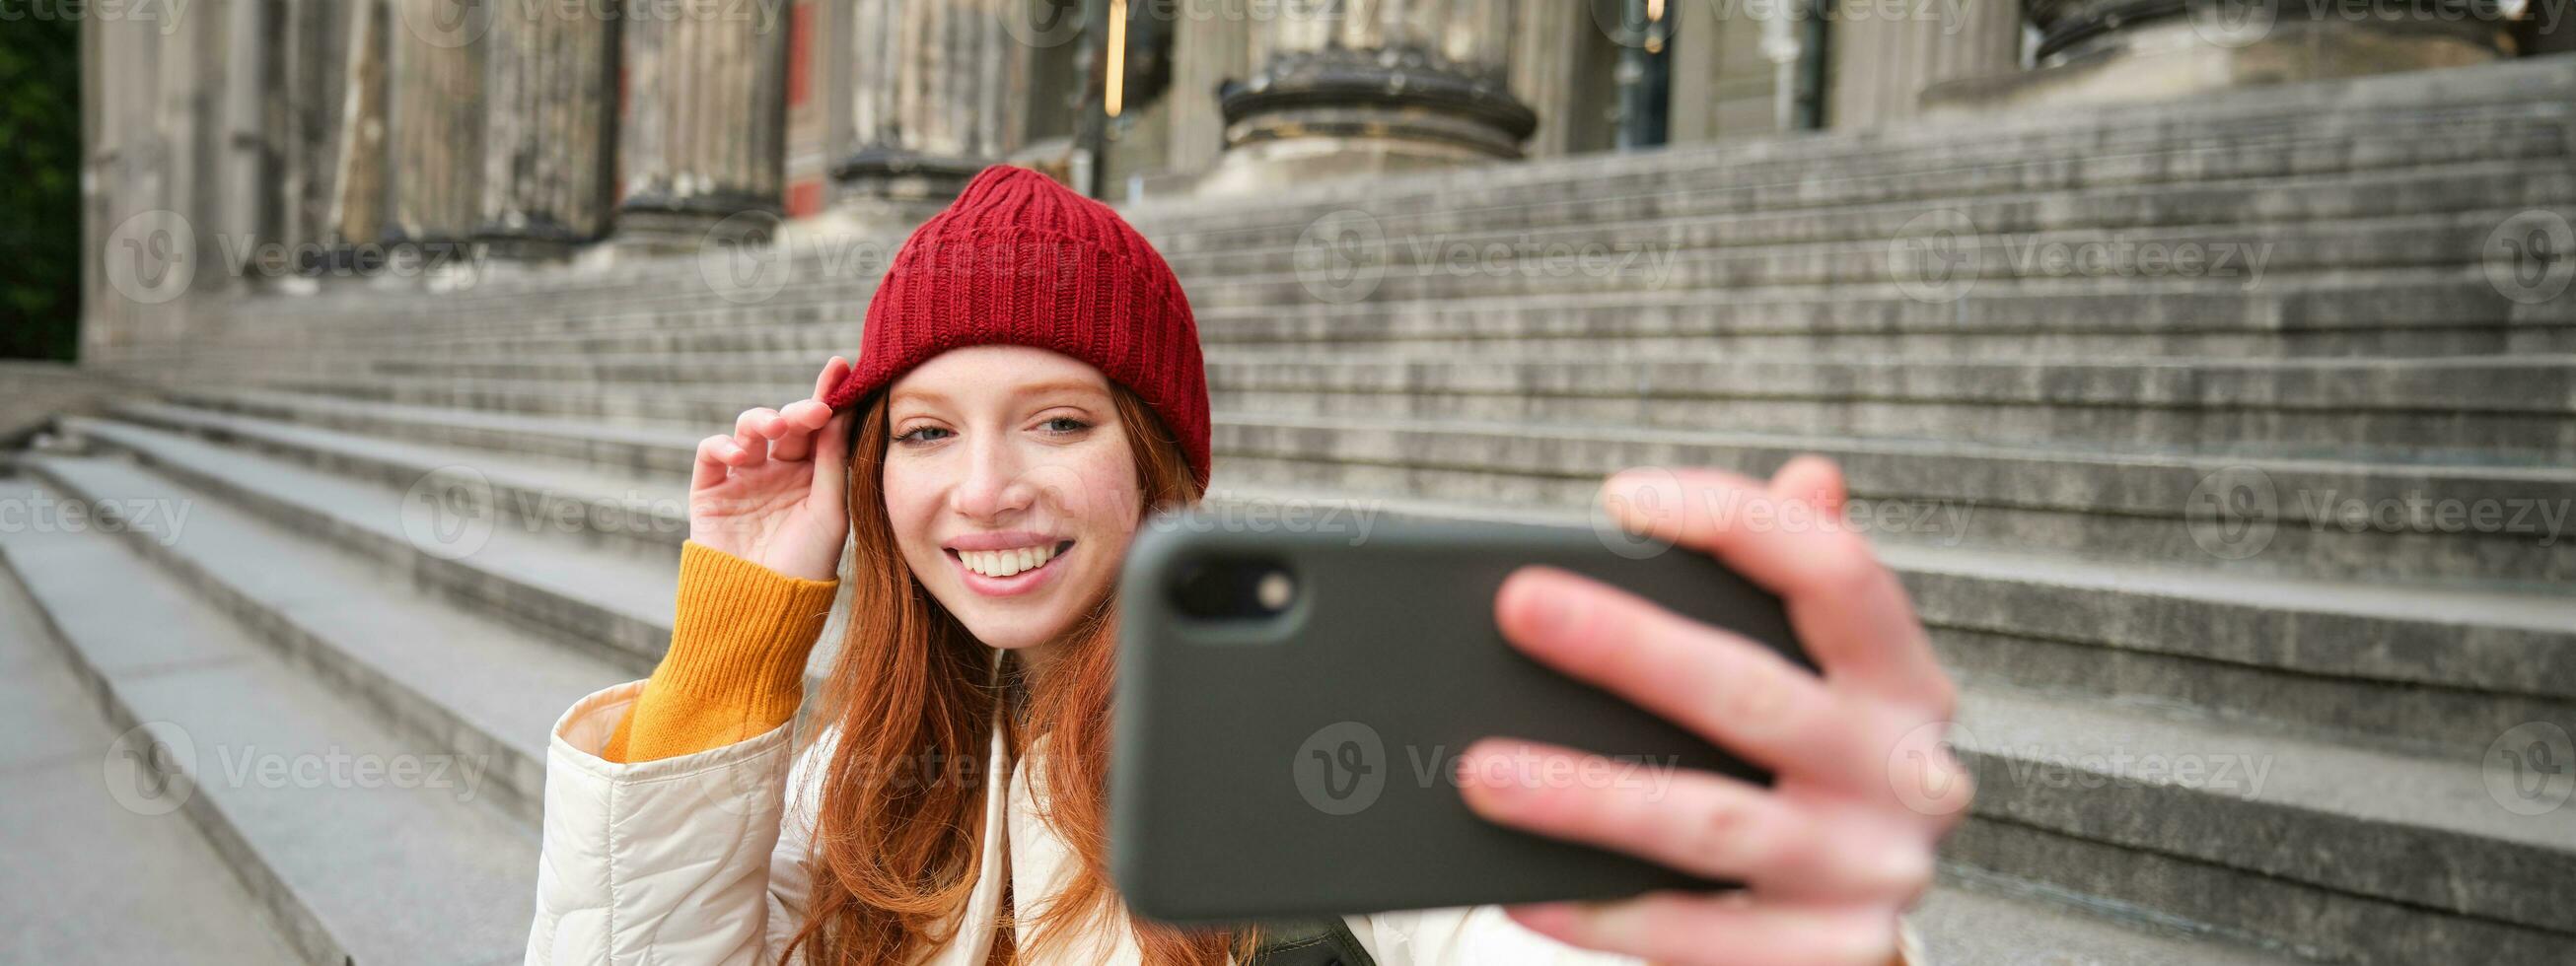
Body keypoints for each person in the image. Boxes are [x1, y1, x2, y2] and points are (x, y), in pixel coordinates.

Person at [522, 166, 1968, 966]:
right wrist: (738, 636)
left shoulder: (1322, 746)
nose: (982, 490)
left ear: (1158, 461)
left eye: (1059, 420)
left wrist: (1768, 939)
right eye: (924, 432)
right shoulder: (864, 780)